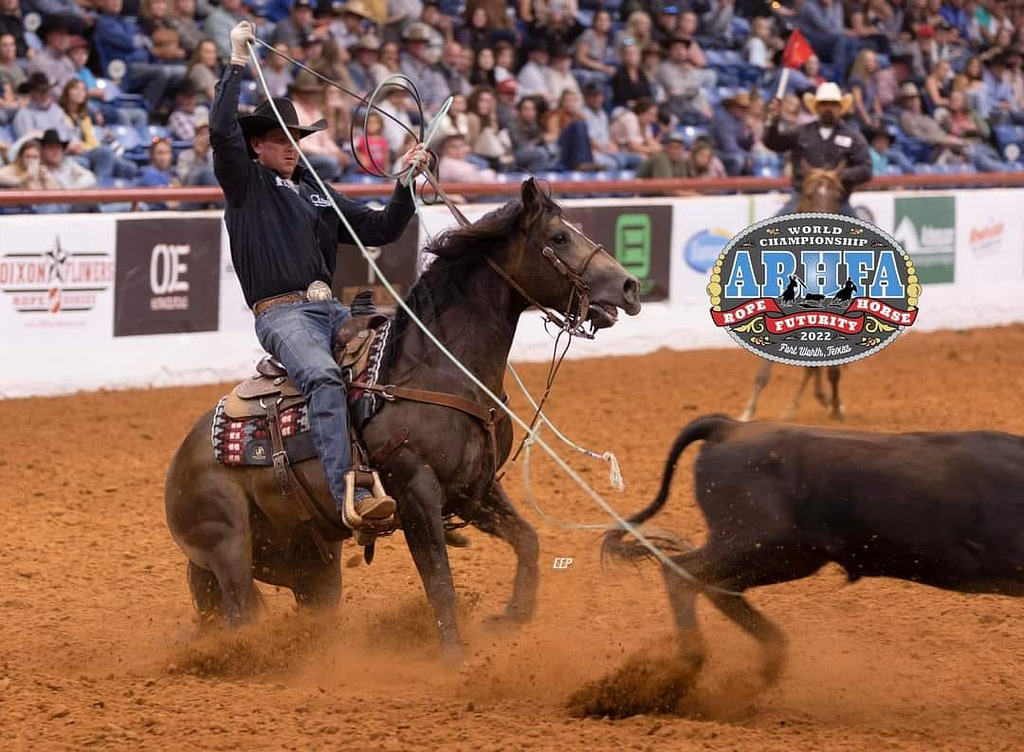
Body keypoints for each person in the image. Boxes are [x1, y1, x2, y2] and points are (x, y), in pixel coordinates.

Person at [211, 21, 430, 527]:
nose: (291, 148)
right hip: (283, 314)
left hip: (329, 308)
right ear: (257, 147)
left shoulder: (316, 192)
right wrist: (236, 63)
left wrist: (407, 182)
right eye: (279, 140)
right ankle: (344, 494)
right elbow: (222, 131)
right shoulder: (246, 185)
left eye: (296, 139)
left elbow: (382, 228)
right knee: (325, 377)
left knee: (398, 351)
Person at [763, 81, 871, 217]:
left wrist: (838, 175)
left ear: (840, 108)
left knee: (861, 236)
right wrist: (773, 121)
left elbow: (865, 169)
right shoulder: (801, 132)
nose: (828, 108)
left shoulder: (853, 137)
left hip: (839, 199)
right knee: (772, 231)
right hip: (803, 196)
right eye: (824, 104)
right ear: (817, 107)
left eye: (833, 105)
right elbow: (773, 143)